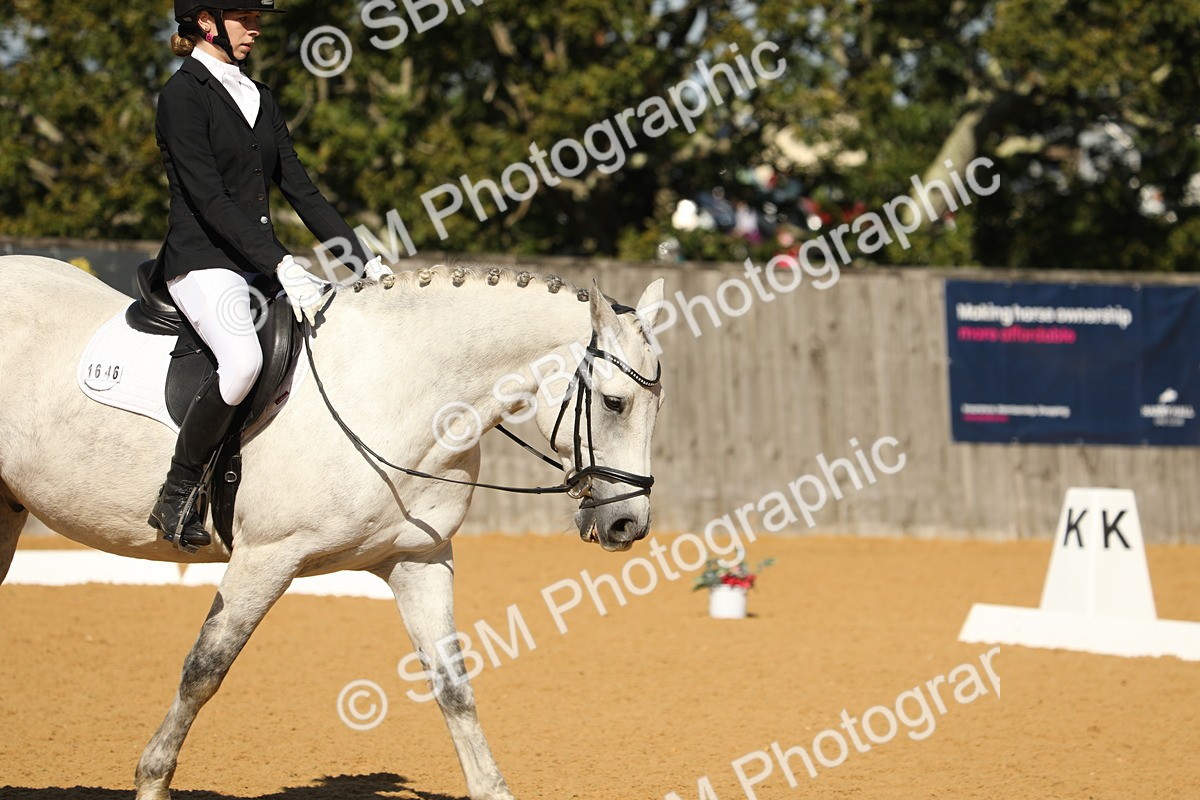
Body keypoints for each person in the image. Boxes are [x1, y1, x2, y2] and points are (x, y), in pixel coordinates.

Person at [149, 0, 392, 550]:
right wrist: (280, 261)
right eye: (245, 18)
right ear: (206, 22)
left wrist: (362, 260)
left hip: (255, 262)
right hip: (203, 260)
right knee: (242, 362)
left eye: (259, 19)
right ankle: (177, 492)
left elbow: (301, 189)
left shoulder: (259, 96)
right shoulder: (182, 96)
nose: (256, 27)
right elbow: (209, 199)